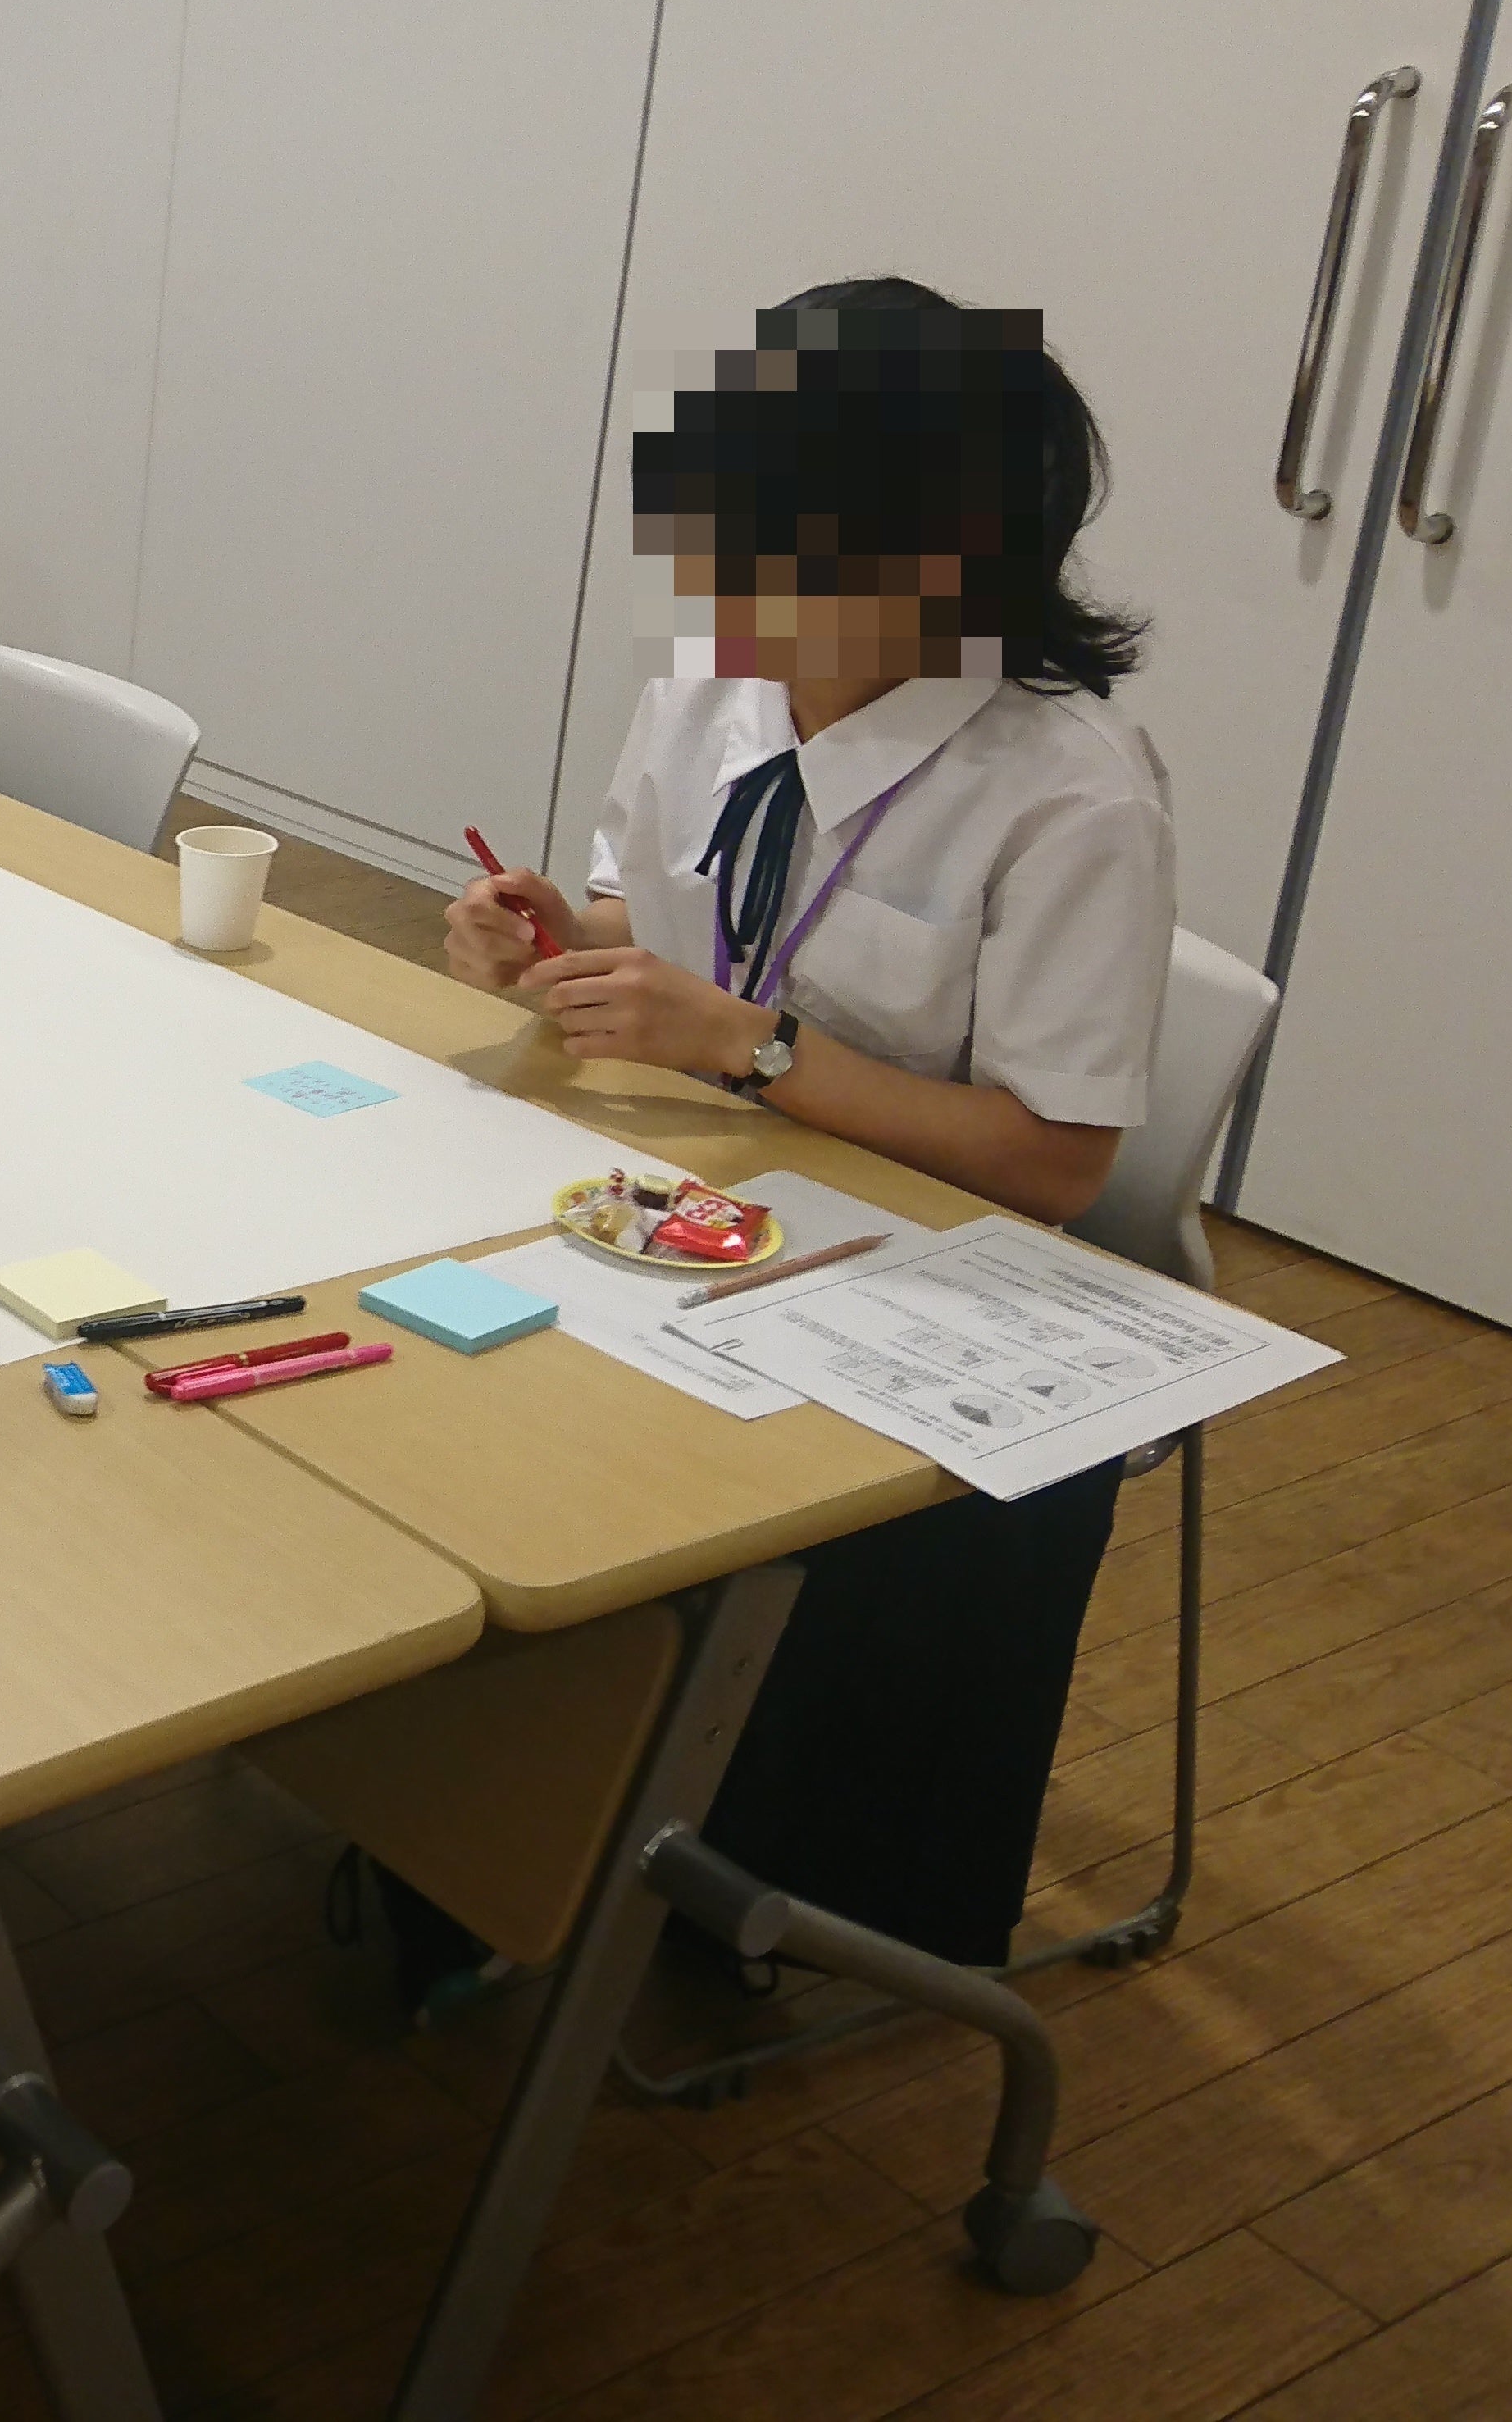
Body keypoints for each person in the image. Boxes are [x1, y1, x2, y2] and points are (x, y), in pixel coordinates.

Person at [442, 275, 1171, 1974]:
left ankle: (699, 1889)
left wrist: (751, 1051)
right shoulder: (711, 690)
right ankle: (484, 1841)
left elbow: (1057, 1163)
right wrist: (548, 938)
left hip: (918, 1268)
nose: (721, 574)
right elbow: (659, 922)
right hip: (687, 1199)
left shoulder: (1067, 792)